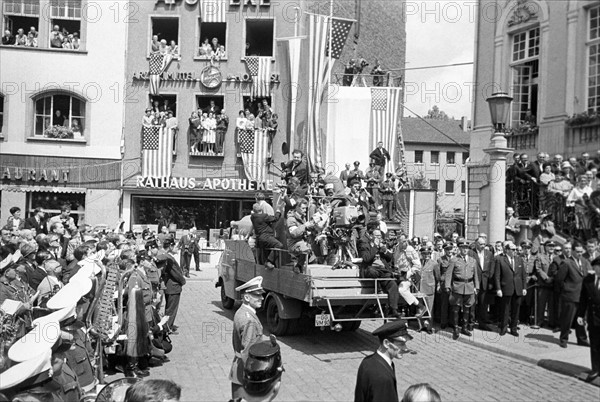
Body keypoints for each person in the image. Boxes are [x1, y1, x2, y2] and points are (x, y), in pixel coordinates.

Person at [230, 276, 273, 399]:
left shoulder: (241, 312)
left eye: (261, 295)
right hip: (246, 372)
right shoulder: (249, 320)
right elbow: (248, 351)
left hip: (238, 367)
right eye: (257, 295)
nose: (262, 298)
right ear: (247, 297)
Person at [354, 319, 414, 402]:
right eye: (401, 344)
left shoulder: (367, 361)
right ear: (386, 343)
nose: (405, 349)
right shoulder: (383, 377)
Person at [358, 227, 401, 318]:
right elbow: (366, 259)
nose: (379, 238)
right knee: (373, 272)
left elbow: (390, 258)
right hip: (370, 269)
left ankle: (394, 309)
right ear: (371, 236)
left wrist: (384, 250)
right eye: (376, 236)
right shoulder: (365, 245)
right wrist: (374, 247)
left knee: (392, 283)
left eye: (380, 236)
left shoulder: (382, 245)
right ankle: (380, 288)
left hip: (382, 270)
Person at [555, 243, 590, 348]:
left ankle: (582, 339)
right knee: (567, 319)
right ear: (573, 251)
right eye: (578, 252)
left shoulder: (585, 262)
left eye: (581, 252)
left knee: (581, 319)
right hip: (570, 296)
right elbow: (559, 279)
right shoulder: (566, 263)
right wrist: (566, 289)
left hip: (582, 296)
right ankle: (563, 339)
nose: (580, 254)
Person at [445, 238, 479, 340]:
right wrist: (447, 286)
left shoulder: (473, 260)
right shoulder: (454, 260)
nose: (465, 250)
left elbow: (476, 275)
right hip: (457, 286)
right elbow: (449, 274)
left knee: (467, 308)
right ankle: (455, 328)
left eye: (466, 248)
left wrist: (477, 287)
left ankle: (464, 327)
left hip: (469, 286)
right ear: (459, 248)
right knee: (456, 308)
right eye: (463, 248)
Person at [495, 241, 527, 336]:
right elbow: (497, 276)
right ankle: (503, 328)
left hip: (517, 288)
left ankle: (513, 328)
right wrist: (498, 289)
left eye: (516, 249)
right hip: (506, 288)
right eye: (513, 249)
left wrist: (524, 287)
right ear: (507, 250)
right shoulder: (500, 260)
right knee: (505, 309)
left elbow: (523, 275)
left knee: (516, 310)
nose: (515, 251)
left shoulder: (519, 260)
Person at [576, 257, 600, 383]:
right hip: (593, 318)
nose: (596, 270)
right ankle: (595, 369)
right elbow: (583, 299)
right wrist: (580, 315)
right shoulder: (588, 280)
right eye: (596, 268)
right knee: (595, 345)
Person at [159, 238, 186, 331]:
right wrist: (183, 281)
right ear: (170, 246)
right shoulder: (169, 258)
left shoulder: (165, 256)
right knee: (171, 309)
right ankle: (167, 327)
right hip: (173, 286)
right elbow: (176, 273)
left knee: (169, 308)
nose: (177, 248)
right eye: (175, 246)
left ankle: (166, 325)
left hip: (169, 286)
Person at [470, 236, 495, 331]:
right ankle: (471, 323)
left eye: (484, 244)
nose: (483, 246)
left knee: (483, 304)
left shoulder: (489, 253)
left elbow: (491, 268)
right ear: (476, 244)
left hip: (485, 282)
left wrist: (490, 281)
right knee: (472, 304)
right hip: (473, 282)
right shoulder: (471, 253)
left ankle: (482, 323)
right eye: (481, 244)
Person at [286, 199, 314, 274]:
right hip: (294, 243)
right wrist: (305, 226)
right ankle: (298, 266)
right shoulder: (291, 219)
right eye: (303, 208)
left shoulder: (302, 218)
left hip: (302, 242)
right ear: (297, 208)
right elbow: (294, 234)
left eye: (306, 208)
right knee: (305, 249)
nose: (305, 210)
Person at [251, 203, 283, 269]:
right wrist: (278, 211)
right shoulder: (264, 216)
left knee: (267, 253)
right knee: (279, 245)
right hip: (266, 237)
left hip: (260, 239)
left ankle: (268, 265)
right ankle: (269, 262)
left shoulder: (252, 217)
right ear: (261, 210)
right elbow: (275, 218)